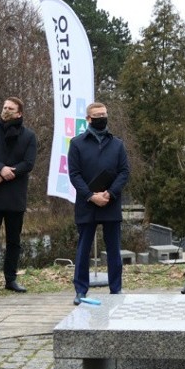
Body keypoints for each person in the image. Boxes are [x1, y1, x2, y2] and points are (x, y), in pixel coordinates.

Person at [68, 102, 130, 305]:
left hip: (111, 202)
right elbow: (74, 174)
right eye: (97, 115)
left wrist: (110, 194)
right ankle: (80, 291)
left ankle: (116, 289)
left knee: (114, 249)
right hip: (87, 203)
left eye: (104, 114)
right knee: (83, 249)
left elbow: (124, 172)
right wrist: (90, 195)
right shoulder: (77, 144)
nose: (101, 118)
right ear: (88, 119)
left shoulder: (117, 144)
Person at [0, 97, 38, 296]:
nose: (5, 110)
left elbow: (28, 164)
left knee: (13, 240)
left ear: (19, 113)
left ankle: (11, 279)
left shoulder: (29, 136)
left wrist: (3, 176)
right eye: (4, 107)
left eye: (10, 108)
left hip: (15, 194)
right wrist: (0, 168)